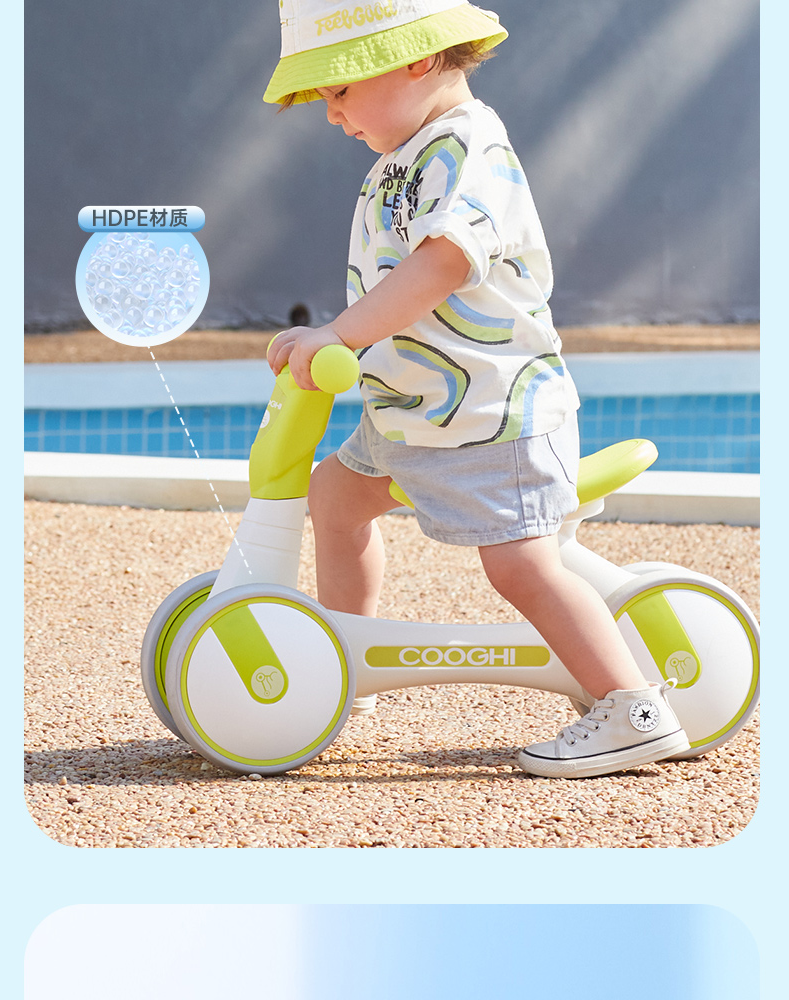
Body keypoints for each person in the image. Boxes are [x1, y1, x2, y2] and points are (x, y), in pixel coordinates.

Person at [264, 1, 690, 778]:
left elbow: (443, 263)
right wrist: (342, 337)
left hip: (491, 417)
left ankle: (632, 710)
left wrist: (339, 336)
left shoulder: (467, 144)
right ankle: (345, 660)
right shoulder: (405, 150)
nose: (331, 114)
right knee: (335, 500)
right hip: (416, 413)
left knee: (521, 566)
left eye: (339, 90)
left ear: (416, 60)